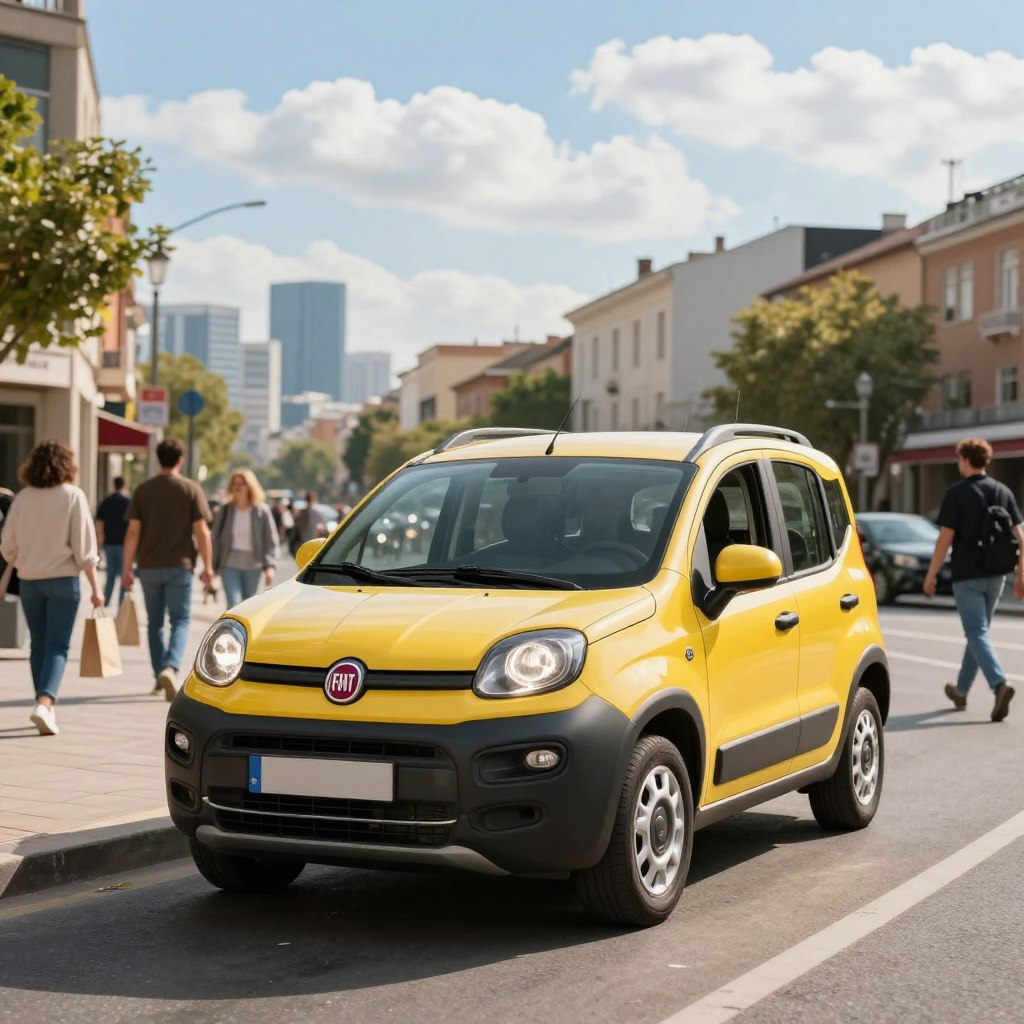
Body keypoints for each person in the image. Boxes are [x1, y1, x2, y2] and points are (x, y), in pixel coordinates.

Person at [0, 442, 104, 735]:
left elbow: (7, 546)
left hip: (30, 582)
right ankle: (45, 703)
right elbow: (85, 550)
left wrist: (26, 557)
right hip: (64, 582)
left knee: (39, 644)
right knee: (57, 646)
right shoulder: (72, 496)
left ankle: (43, 705)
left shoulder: (23, 498)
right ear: (67, 465)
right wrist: (96, 587)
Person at [923, 437, 1024, 722]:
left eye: (959, 459)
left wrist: (931, 574)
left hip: (967, 576)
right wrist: (1021, 573)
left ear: (966, 460)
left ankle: (999, 684)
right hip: (997, 576)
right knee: (978, 634)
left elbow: (945, 539)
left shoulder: (957, 493)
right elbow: (1021, 536)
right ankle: (961, 690)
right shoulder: (1003, 491)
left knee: (976, 633)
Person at [121, 438, 213, 701]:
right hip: (180, 566)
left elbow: (132, 533)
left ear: (158, 458)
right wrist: (208, 567)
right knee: (180, 620)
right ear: (181, 460)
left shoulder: (143, 490)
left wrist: (126, 570)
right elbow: (202, 532)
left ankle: (159, 675)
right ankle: (171, 667)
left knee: (154, 624)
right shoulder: (190, 489)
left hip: (148, 566)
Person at [212, 468, 279, 607]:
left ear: (250, 486)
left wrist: (270, 567)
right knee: (233, 605)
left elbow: (270, 540)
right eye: (234, 484)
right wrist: (212, 566)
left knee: (248, 607)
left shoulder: (262, 511)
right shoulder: (226, 510)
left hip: (253, 565)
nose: (237, 487)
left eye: (241, 484)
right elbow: (215, 538)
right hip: (229, 563)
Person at [95, 476, 131, 607]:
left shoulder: (106, 501)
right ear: (125, 485)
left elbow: (100, 524)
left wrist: (99, 543)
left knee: (110, 575)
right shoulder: (129, 501)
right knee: (124, 574)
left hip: (109, 543)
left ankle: (106, 602)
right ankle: (121, 605)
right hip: (125, 544)